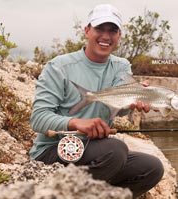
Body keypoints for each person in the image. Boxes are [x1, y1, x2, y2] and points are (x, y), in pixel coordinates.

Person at [29, 4, 164, 198]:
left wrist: (135, 100)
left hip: (94, 151)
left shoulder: (121, 66)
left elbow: (120, 108)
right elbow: (38, 118)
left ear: (119, 36)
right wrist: (75, 123)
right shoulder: (59, 66)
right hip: (53, 151)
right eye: (100, 28)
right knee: (116, 150)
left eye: (113, 30)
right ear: (87, 30)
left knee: (152, 168)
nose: (106, 36)